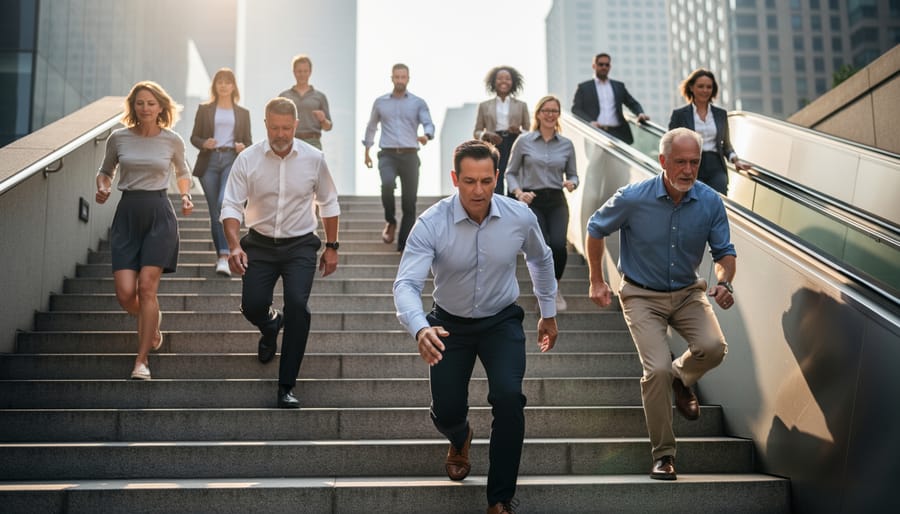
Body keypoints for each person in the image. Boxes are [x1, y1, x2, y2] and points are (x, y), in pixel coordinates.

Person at [393, 140, 559, 514]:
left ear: (497, 177)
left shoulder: (519, 216)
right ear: (455, 178)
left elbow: (541, 259)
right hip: (448, 325)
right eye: (469, 181)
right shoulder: (432, 223)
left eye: (487, 180)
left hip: (501, 321)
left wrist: (547, 312)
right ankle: (460, 435)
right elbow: (406, 284)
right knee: (447, 411)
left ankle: (499, 498)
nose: (479, 190)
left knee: (508, 398)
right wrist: (421, 329)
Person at [585, 127, 736, 481]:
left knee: (713, 348)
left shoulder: (710, 200)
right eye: (680, 162)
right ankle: (664, 455)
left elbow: (724, 253)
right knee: (656, 371)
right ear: (663, 161)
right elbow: (595, 228)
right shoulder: (634, 197)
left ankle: (681, 378)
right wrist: (596, 279)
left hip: (688, 292)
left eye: (694, 162)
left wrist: (725, 281)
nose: (688, 170)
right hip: (640, 294)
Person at [220, 97, 341, 409]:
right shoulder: (248, 159)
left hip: (300, 244)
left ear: (296, 126)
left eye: (287, 128)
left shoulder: (314, 158)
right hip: (259, 243)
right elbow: (231, 204)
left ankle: (286, 385)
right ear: (265, 125)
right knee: (252, 306)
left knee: (298, 306)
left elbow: (328, 202)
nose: (281, 134)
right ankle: (271, 324)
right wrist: (234, 245)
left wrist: (331, 246)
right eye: (275, 127)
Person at [95, 80, 194, 380]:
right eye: (140, 103)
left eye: (151, 103)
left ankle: (141, 361)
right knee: (127, 294)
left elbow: (183, 170)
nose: (145, 108)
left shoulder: (172, 140)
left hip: (159, 215)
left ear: (161, 107)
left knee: (147, 288)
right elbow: (105, 170)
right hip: (127, 214)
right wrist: (103, 187)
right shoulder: (118, 138)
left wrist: (186, 195)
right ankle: (153, 322)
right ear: (133, 106)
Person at [506, 95, 578, 312]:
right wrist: (519, 193)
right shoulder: (524, 141)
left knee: (557, 244)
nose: (550, 115)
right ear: (538, 114)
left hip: (556, 199)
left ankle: (553, 288)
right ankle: (544, 291)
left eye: (554, 111)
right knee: (541, 246)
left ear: (558, 115)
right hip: (533, 200)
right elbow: (510, 173)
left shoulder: (566, 144)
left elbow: (574, 174)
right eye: (546, 110)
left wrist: (572, 183)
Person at [363, 63, 435, 252]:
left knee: (409, 202)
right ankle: (390, 221)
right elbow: (371, 126)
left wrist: (426, 136)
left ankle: (403, 245)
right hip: (387, 153)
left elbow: (428, 123)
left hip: (410, 155)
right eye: (397, 77)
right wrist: (367, 150)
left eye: (403, 77)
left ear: (408, 79)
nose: (400, 80)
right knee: (387, 184)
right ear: (392, 78)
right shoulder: (380, 102)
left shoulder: (418, 102)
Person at [189, 68, 252, 276]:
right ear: (215, 86)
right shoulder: (205, 109)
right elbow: (194, 137)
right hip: (209, 162)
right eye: (220, 82)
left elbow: (249, 142)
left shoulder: (243, 113)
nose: (223, 85)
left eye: (227, 82)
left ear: (234, 86)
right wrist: (204, 143)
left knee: (223, 203)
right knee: (214, 212)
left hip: (231, 160)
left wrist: (243, 146)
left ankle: (227, 253)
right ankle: (221, 257)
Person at [668, 68, 751, 194]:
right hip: (690, 165)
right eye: (700, 86)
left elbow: (726, 145)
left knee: (718, 200)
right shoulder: (679, 114)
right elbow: (670, 143)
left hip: (716, 165)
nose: (705, 90)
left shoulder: (720, 114)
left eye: (709, 87)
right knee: (692, 202)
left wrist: (736, 160)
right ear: (691, 87)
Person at [473, 65, 530, 195]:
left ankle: (514, 202)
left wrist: (519, 131)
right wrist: (486, 134)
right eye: (500, 78)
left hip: (515, 141)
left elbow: (529, 131)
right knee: (495, 175)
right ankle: (497, 203)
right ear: (493, 82)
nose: (504, 81)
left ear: (513, 82)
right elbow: (476, 131)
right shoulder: (484, 106)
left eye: (507, 79)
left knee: (514, 173)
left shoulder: (521, 105)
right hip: (494, 142)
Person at [571, 52, 649, 144]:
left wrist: (640, 113)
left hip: (618, 133)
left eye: (607, 65)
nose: (604, 67)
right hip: (596, 132)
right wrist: (590, 122)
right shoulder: (584, 87)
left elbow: (632, 103)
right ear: (594, 66)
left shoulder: (619, 86)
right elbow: (576, 109)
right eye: (601, 64)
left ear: (610, 67)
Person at [278, 54, 332, 150]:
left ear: (310, 72)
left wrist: (323, 120)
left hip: (313, 143)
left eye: (305, 71)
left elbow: (328, 127)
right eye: (299, 71)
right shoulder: (284, 96)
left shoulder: (320, 97)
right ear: (294, 72)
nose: (302, 74)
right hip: (290, 142)